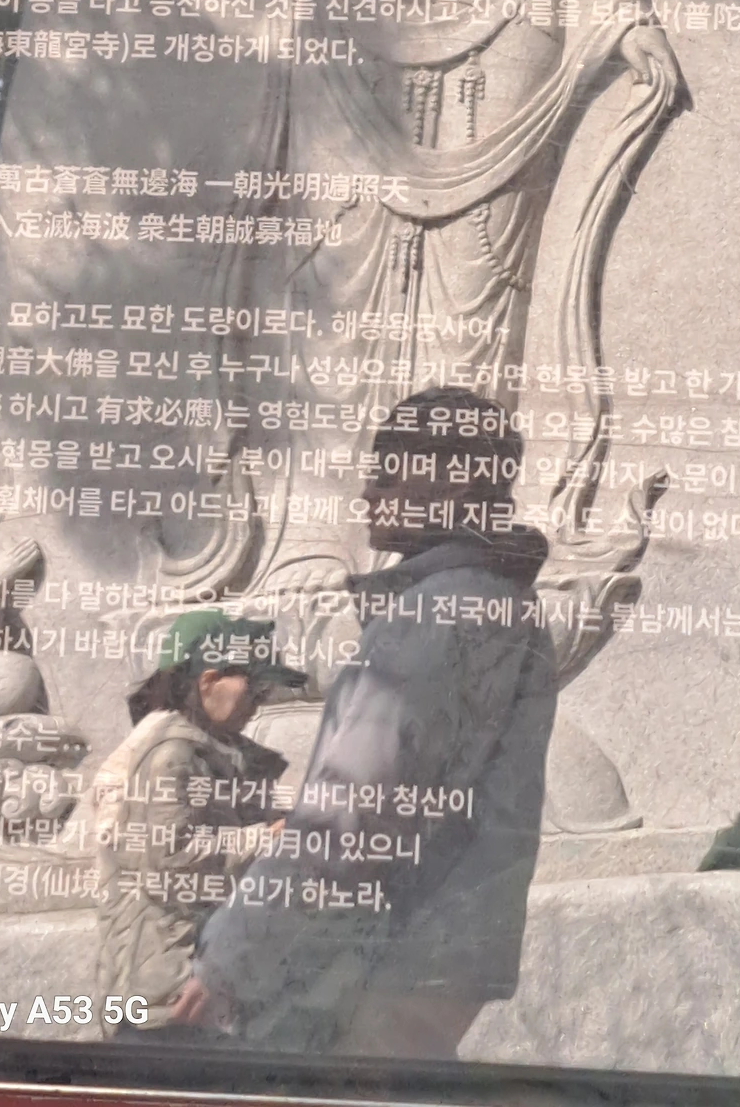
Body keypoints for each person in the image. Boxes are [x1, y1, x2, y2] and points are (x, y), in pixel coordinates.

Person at [169, 386, 559, 1060]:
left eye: (387, 472)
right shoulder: (505, 605)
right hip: (448, 950)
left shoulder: (432, 616)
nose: (368, 493)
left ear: (456, 481)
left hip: (388, 953)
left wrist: (229, 959)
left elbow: (349, 815)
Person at [89, 611, 305, 1038]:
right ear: (208, 682)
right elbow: (172, 863)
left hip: (196, 985)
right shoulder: (171, 754)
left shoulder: (209, 751)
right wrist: (268, 837)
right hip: (169, 994)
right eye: (254, 688)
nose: (258, 703)